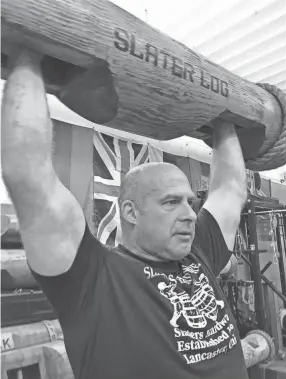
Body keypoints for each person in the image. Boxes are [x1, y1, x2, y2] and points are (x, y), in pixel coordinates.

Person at [2, 48, 248, 379]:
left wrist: (225, 119)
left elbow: (230, 190)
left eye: (190, 202)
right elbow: (27, 172)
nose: (190, 214)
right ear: (131, 211)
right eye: (171, 202)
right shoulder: (90, 277)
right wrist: (28, 55)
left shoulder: (199, 252)